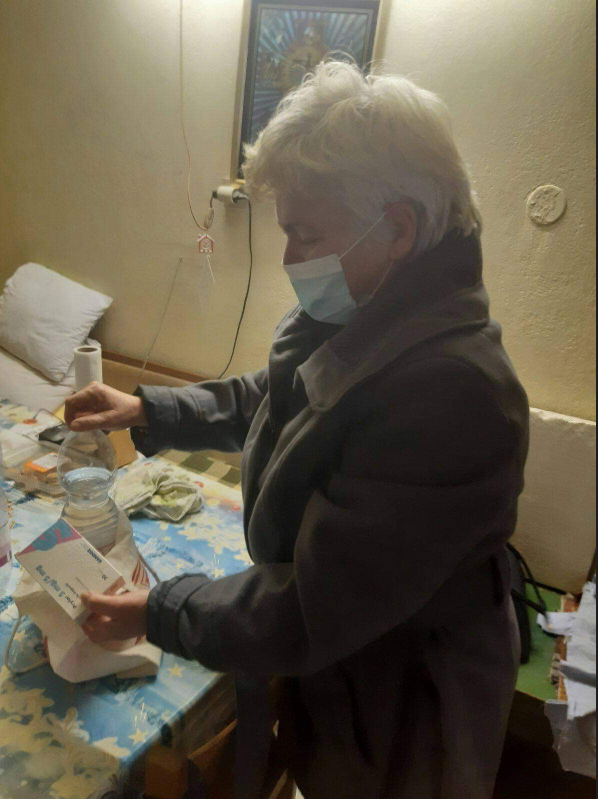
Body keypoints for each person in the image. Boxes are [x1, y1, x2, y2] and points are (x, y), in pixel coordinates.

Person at [67, 61, 529, 799]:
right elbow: (279, 398)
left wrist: (164, 609)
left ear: (398, 228)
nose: (288, 259)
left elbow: (316, 604)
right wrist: (150, 410)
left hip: (403, 701)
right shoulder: (366, 308)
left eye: (305, 234)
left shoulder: (452, 393)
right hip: (344, 663)